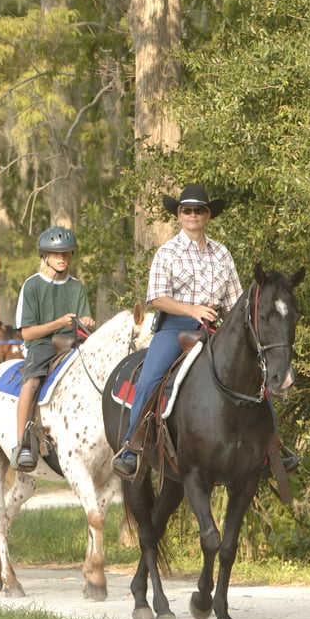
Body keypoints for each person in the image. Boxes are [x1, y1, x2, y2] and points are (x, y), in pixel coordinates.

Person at [111, 184, 242, 478]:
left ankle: (271, 447)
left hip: (216, 328)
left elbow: (234, 301)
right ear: (179, 215)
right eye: (187, 210)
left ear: (208, 215)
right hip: (176, 328)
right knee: (149, 380)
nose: (192, 214)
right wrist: (192, 309)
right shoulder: (167, 252)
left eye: (199, 210)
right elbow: (157, 298)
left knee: (254, 371)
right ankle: (132, 447)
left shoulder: (222, 253)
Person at [11, 225, 95, 471]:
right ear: (45, 255)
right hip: (41, 344)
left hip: (73, 344)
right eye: (56, 254)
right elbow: (26, 332)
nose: (62, 258)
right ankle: (22, 443)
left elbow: (83, 324)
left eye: (66, 254)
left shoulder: (76, 286)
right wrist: (58, 324)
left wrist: (87, 322)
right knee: (33, 382)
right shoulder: (33, 285)